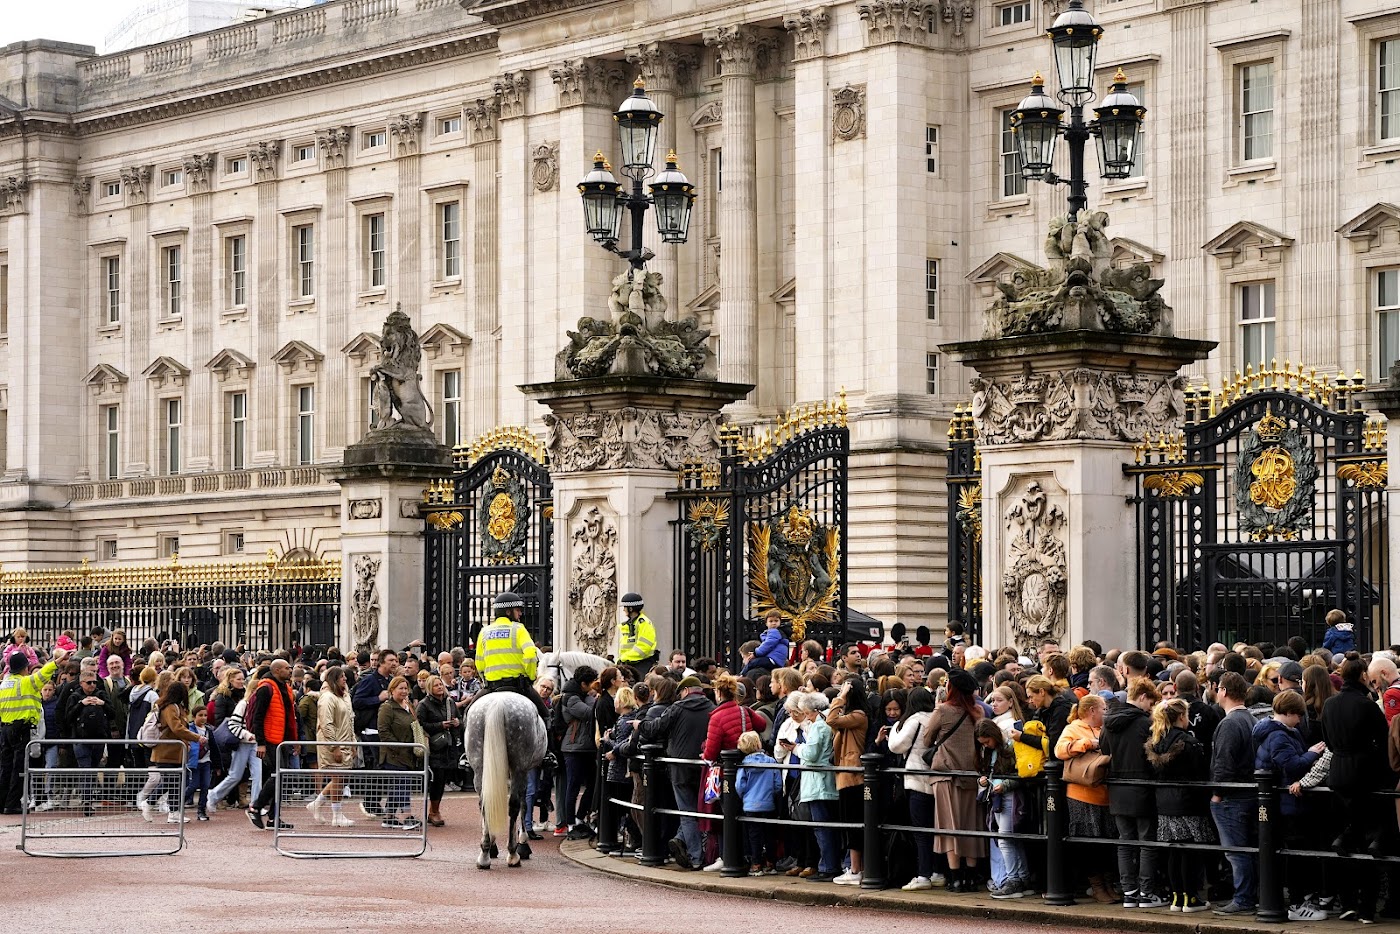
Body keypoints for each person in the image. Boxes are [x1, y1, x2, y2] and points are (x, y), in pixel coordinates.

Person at [638, 675, 714, 870]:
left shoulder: (677, 708)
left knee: (687, 812)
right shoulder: (711, 708)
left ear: (686, 691)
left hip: (679, 768)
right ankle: (689, 845)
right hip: (703, 767)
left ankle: (696, 856)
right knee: (702, 811)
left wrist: (640, 726)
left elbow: (655, 729)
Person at [1146, 697, 1215, 913]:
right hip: (1189, 802)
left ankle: (1177, 897)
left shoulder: (1155, 743)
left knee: (1174, 851)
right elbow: (1201, 773)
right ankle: (1191, 897)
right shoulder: (1188, 743)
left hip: (1165, 802)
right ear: (1182, 717)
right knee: (1189, 851)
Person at [1103, 677, 1165, 909]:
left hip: (1117, 787)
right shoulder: (1143, 723)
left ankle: (1129, 891)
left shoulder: (1108, 722)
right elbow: (1153, 756)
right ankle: (1147, 892)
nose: (1151, 707)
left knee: (1125, 841)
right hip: (1141, 786)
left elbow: (1105, 751)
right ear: (1142, 697)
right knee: (1147, 841)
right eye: (1150, 702)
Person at [925, 667, 986, 892]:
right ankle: (970, 876)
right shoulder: (978, 711)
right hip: (971, 774)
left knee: (949, 825)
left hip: (946, 774)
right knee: (971, 824)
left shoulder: (942, 710)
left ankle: (956, 878)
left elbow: (927, 738)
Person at [701, 673, 771, 871]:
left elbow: (711, 752)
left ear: (718, 692)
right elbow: (761, 725)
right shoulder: (743, 710)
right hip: (748, 766)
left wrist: (705, 751)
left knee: (730, 814)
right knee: (745, 815)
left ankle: (734, 858)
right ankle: (751, 857)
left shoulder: (717, 717)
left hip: (727, 772)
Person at [1055, 693, 1115, 904]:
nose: (1105, 713)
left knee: (1106, 843)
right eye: (1103, 709)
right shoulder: (1073, 728)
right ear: (1092, 711)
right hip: (1081, 795)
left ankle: (1108, 885)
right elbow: (1059, 750)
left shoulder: (1105, 728)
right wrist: (1086, 744)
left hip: (1104, 794)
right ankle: (1097, 886)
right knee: (1089, 845)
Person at [1209, 671, 1258, 916]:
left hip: (1232, 797)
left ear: (1224, 691)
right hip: (1249, 793)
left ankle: (1243, 898)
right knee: (1248, 850)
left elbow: (1223, 763)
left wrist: (1217, 793)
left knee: (1236, 851)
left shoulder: (1229, 723)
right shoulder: (1251, 719)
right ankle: (1250, 896)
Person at [0, 645, 67, 813]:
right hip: (21, 729)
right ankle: (13, 804)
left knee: (5, 767)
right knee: (19, 768)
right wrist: (55, 661)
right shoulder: (25, 682)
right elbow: (42, 674)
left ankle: (2, 801)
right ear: (24, 667)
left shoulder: (4, 684)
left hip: (6, 729)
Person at [888, 686, 941, 890]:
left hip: (916, 778)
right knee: (935, 828)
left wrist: (894, 729)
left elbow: (896, 746)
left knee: (920, 829)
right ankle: (937, 871)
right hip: (936, 777)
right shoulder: (936, 717)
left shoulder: (914, 720)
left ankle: (923, 875)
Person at [976, 717, 1031, 899]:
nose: (987, 745)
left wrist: (1004, 785)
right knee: (1012, 839)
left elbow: (1020, 774)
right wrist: (982, 780)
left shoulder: (1008, 747)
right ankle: (1022, 878)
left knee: (1005, 839)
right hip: (999, 796)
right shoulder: (996, 749)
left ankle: (1013, 880)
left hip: (1007, 796)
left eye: (987, 741)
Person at [792, 689, 842, 882]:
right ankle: (829, 865)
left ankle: (828, 867)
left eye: (806, 713)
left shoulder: (818, 726)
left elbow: (811, 754)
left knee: (822, 827)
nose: (806, 717)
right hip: (826, 781)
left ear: (813, 711)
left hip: (818, 783)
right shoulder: (826, 723)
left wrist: (796, 748)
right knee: (828, 827)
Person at [473, 592, 548, 720]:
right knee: (546, 716)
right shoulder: (518, 629)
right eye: (517, 610)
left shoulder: (484, 632)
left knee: (469, 714)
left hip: (492, 686)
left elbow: (479, 662)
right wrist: (530, 677)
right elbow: (530, 654)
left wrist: (485, 679)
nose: (520, 614)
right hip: (519, 685)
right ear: (508, 612)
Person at [137, 681, 202, 823]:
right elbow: (177, 728)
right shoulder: (170, 708)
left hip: (173, 751)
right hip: (166, 752)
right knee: (170, 782)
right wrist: (196, 738)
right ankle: (149, 802)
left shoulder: (173, 706)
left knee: (176, 782)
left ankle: (173, 812)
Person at [824, 674, 868, 885]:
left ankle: (856, 869)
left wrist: (839, 697)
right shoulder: (851, 718)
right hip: (845, 775)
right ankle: (855, 867)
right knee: (849, 824)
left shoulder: (858, 715)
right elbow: (833, 724)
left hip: (853, 776)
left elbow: (830, 719)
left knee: (853, 824)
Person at [247, 659, 300, 831]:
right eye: (286, 668)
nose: (290, 670)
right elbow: (258, 717)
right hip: (270, 739)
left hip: (282, 739)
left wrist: (294, 740)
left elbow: (290, 718)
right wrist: (260, 743)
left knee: (280, 777)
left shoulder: (284, 687)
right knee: (277, 775)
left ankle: (273, 818)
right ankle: (256, 806)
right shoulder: (266, 688)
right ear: (277, 670)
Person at [307, 665, 356, 828]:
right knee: (338, 777)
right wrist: (334, 746)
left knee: (341, 778)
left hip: (345, 741)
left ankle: (318, 803)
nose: (345, 679)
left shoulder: (345, 696)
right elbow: (326, 723)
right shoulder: (327, 697)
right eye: (342, 676)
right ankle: (337, 814)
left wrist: (353, 742)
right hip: (333, 743)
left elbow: (350, 720)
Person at [62, 665, 115, 815]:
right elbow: (68, 717)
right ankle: (87, 801)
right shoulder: (75, 697)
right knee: (86, 769)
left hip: (98, 738)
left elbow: (112, 714)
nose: (92, 685)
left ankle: (88, 799)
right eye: (89, 682)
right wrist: (81, 704)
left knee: (93, 769)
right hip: (80, 739)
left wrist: (102, 704)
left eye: (94, 682)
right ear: (81, 683)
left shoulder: (102, 695)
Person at [377, 675, 423, 831]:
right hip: (393, 754)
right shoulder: (387, 708)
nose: (404, 691)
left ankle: (389, 816)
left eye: (406, 688)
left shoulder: (408, 705)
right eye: (400, 688)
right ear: (392, 690)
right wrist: (399, 746)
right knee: (401, 784)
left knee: (398, 784)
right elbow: (383, 732)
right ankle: (406, 816)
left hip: (408, 752)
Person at [558, 664, 597, 838]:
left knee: (593, 783)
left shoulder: (579, 695)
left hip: (584, 746)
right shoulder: (571, 698)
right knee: (573, 786)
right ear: (583, 684)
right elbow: (590, 712)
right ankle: (571, 823)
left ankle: (580, 817)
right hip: (573, 747)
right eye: (590, 684)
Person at [735, 730, 782, 875]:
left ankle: (756, 864)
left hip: (750, 804)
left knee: (754, 835)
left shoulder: (744, 765)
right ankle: (771, 863)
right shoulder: (771, 761)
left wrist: (744, 796)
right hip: (768, 803)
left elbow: (739, 786)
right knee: (769, 834)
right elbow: (778, 784)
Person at [416, 673, 460, 827]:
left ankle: (435, 810)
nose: (440, 687)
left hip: (448, 745)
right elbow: (420, 725)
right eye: (436, 685)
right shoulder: (424, 704)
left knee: (442, 779)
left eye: (440, 684)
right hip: (433, 747)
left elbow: (459, 720)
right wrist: (440, 725)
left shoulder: (450, 702)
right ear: (429, 688)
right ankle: (434, 811)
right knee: (436, 779)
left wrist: (456, 723)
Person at [617, 592, 658, 670]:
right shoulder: (631, 623)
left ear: (631, 609)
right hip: (628, 662)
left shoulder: (644, 623)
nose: (623, 610)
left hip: (642, 664)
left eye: (625, 607)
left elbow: (644, 647)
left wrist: (625, 657)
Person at [185, 706, 212, 820]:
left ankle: (201, 810)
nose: (203, 718)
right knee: (193, 785)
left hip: (206, 762)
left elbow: (214, 747)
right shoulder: (190, 728)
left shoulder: (209, 730)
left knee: (205, 785)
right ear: (194, 716)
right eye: (200, 715)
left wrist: (217, 764)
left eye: (205, 715)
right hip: (194, 762)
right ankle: (177, 802)